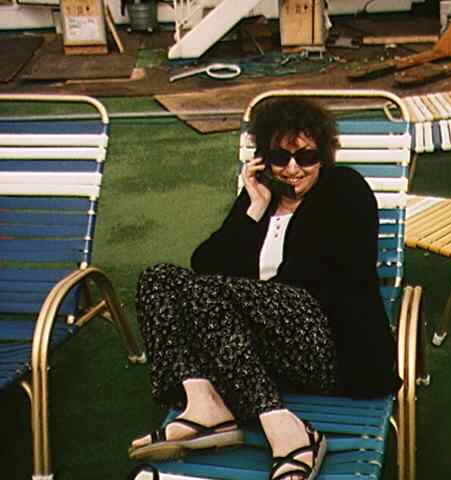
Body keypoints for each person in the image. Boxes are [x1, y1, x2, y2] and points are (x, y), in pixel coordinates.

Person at [128, 97, 402, 480]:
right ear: (264, 158)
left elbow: (332, 275)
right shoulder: (259, 197)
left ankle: (289, 431)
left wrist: (241, 298)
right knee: (157, 279)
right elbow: (205, 264)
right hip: (255, 353)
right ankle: (204, 406)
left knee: (209, 291)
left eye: (306, 156)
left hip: (329, 346)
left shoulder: (344, 189)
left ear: (323, 156)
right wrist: (254, 209)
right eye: (279, 157)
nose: (292, 168)